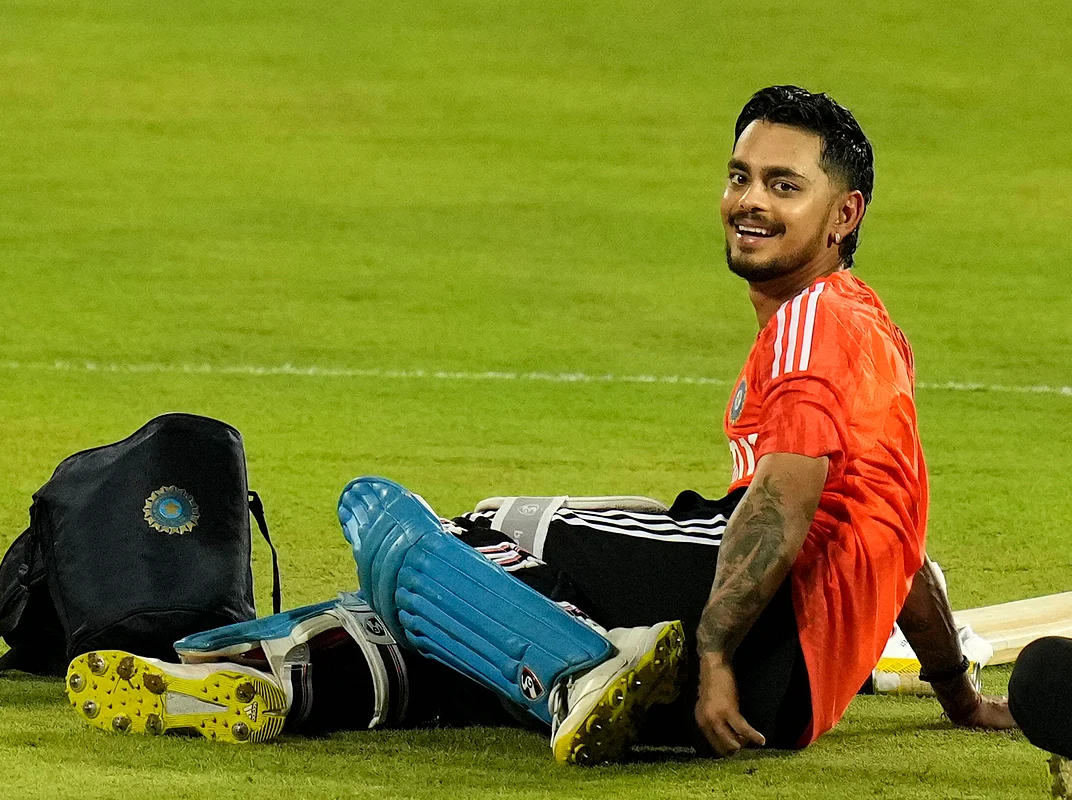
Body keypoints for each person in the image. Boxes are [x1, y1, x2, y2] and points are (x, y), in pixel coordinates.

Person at [65, 85, 1014, 763]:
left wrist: (718, 651)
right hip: (792, 703)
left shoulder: (817, 320)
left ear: (845, 215)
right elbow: (904, 550)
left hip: (765, 635)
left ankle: (575, 671)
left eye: (783, 184)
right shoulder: (869, 333)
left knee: (466, 529)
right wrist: (957, 693)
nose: (750, 201)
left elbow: (782, 500)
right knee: (466, 642)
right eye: (739, 175)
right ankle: (260, 674)